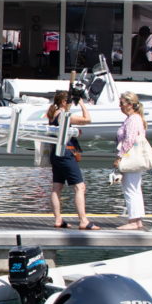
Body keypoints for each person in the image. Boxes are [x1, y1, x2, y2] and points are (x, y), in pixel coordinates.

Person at [46, 91, 99, 230]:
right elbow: (87, 119)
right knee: (79, 187)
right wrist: (82, 104)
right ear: (64, 102)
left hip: (56, 154)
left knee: (57, 187)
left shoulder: (53, 115)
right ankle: (83, 221)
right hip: (66, 153)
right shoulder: (64, 115)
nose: (71, 105)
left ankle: (58, 219)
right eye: (70, 102)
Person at [114, 91, 148, 230]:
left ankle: (134, 220)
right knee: (134, 188)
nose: (120, 106)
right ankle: (137, 219)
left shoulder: (133, 119)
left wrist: (120, 157)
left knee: (130, 189)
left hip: (130, 158)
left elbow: (129, 140)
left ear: (129, 104)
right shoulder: (134, 118)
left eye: (122, 103)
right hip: (132, 157)